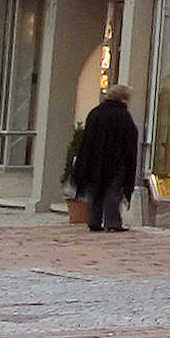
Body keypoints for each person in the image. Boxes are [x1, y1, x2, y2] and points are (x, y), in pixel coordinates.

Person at [62, 88, 140, 232]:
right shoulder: (122, 115)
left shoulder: (95, 112)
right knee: (113, 190)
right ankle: (113, 222)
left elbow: (87, 139)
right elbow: (129, 139)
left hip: (94, 160)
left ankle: (94, 220)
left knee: (95, 190)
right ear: (123, 98)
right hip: (116, 161)